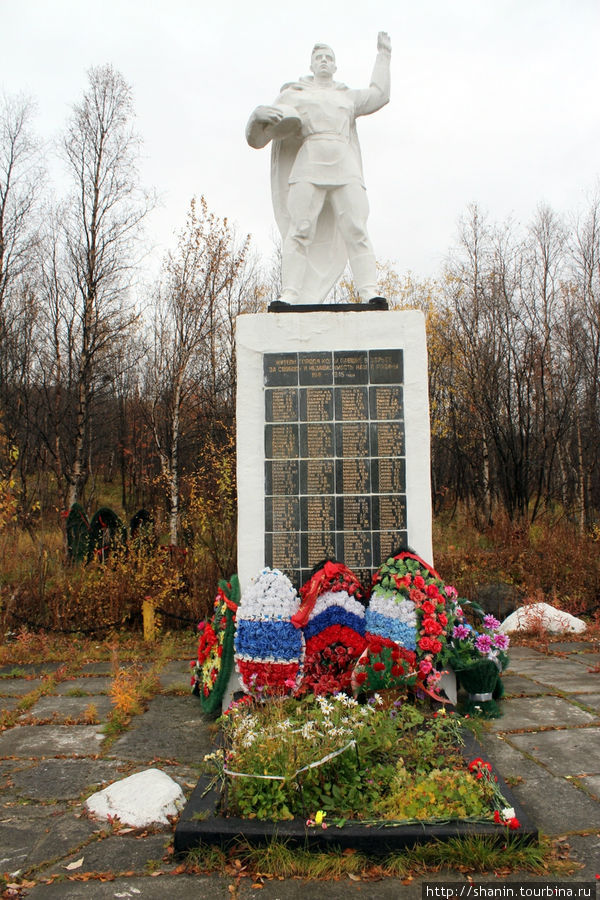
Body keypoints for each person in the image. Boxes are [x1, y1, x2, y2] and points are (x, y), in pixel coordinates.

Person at [246, 33, 391, 305]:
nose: (324, 62)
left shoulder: (346, 96)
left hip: (344, 165)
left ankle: (369, 291)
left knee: (356, 228)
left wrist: (384, 55)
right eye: (319, 58)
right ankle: (290, 294)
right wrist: (258, 116)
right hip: (309, 164)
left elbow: (380, 95)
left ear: (335, 66)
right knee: (299, 229)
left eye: (329, 58)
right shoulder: (295, 95)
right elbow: (258, 139)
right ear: (311, 65)